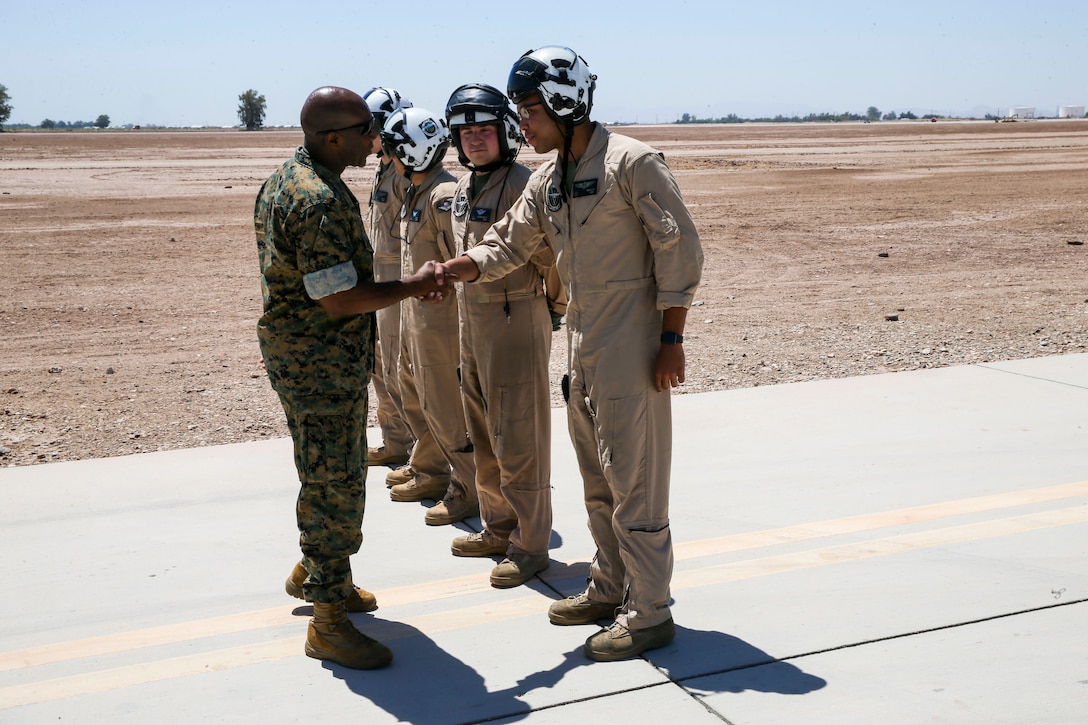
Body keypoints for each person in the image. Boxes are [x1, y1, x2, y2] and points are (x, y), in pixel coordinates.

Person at [435, 47, 703, 661]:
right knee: (596, 478)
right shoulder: (552, 179)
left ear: (563, 101)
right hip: (582, 340)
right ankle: (610, 586)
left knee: (635, 480)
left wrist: (671, 340)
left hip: (634, 341)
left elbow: (680, 253)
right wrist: (458, 266)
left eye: (529, 110)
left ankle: (651, 611)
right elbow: (509, 242)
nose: (520, 123)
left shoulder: (633, 164)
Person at [255, 86, 445, 670]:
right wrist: (414, 285)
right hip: (320, 363)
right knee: (334, 483)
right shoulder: (315, 198)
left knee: (323, 471)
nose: (376, 139)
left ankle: (318, 571)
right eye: (366, 130)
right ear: (332, 136)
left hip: (307, 356)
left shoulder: (290, 176)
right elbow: (339, 300)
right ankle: (328, 618)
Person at [444, 83, 560, 588]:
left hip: (515, 320)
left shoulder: (523, 184)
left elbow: (551, 260)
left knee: (520, 438)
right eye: (465, 132)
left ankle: (531, 544)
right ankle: (498, 525)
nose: (474, 140)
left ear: (505, 132)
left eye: (484, 130)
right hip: (475, 324)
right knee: (484, 431)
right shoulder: (465, 190)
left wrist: (551, 311)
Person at [380, 107, 479, 526]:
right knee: (417, 395)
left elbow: (460, 260)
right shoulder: (416, 191)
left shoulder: (442, 195)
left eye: (392, 150)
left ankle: (469, 489)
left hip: (439, 327)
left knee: (446, 408)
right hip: (415, 320)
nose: (386, 157)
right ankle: (431, 471)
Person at [362, 87, 415, 470]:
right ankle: (395, 442)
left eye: (373, 128)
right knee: (381, 362)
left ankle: (418, 452)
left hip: (396, 278)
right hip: (380, 276)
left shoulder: (404, 173)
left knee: (398, 363)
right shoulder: (386, 168)